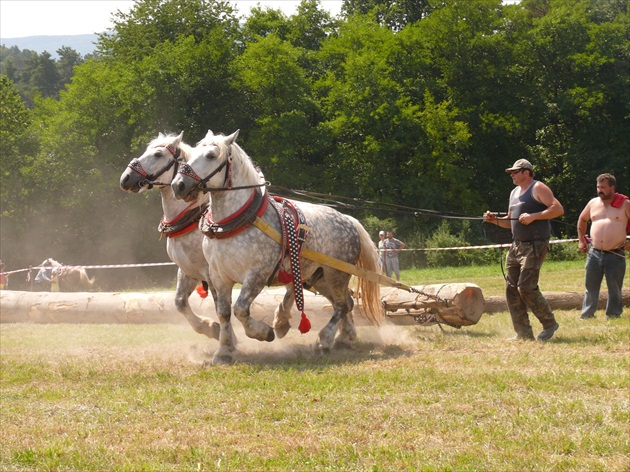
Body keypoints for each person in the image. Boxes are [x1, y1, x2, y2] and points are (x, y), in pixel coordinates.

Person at [483, 159, 564, 341]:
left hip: (534, 245)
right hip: (516, 245)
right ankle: (523, 333)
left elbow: (558, 209)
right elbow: (509, 221)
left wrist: (534, 216)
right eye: (511, 172)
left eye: (515, 172)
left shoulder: (538, 188)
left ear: (526, 172)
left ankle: (549, 323)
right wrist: (494, 219)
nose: (512, 175)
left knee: (526, 287)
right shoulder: (513, 193)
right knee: (511, 289)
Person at [577, 173, 630, 320]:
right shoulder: (593, 203)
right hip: (594, 252)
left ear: (612, 187)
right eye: (598, 187)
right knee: (590, 287)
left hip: (616, 253)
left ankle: (613, 315)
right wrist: (581, 240)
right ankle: (587, 315)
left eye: (603, 187)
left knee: (614, 288)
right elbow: (582, 219)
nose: (600, 190)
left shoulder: (625, 204)